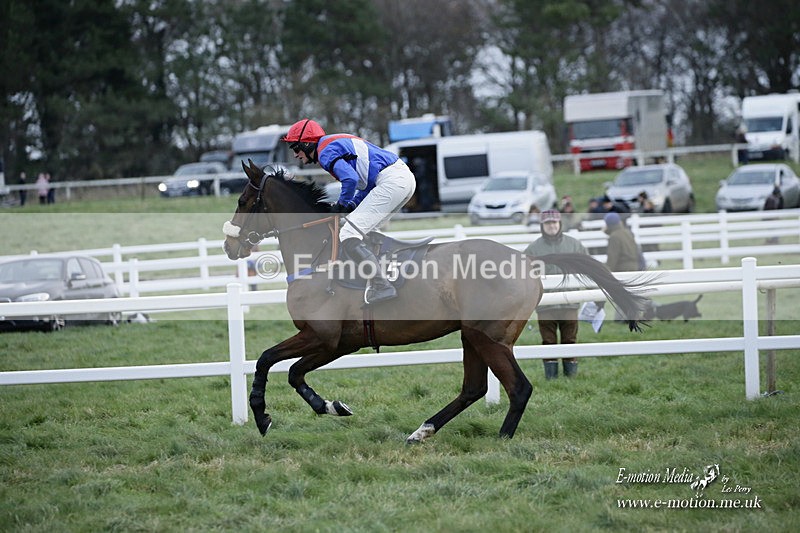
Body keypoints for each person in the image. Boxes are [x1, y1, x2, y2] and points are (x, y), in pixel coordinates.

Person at [282, 118, 416, 304]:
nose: (296, 154)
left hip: (392, 181)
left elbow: (350, 179)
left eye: (295, 148)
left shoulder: (324, 151)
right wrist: (351, 204)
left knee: (349, 233)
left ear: (306, 143)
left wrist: (343, 204)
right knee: (363, 232)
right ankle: (380, 278)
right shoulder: (330, 144)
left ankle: (381, 285)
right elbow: (367, 185)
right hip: (401, 179)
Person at [524, 209, 588, 379]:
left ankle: (570, 377)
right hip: (546, 305)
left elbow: (588, 269)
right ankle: (551, 378)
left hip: (570, 302)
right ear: (542, 226)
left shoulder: (575, 245)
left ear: (560, 224)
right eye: (548, 223)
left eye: (554, 222)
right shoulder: (533, 249)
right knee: (548, 342)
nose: (551, 226)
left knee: (570, 340)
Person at [603, 211, 641, 321]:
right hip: (633, 267)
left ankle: (620, 319)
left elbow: (613, 258)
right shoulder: (627, 233)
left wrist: (607, 272)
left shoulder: (614, 237)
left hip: (622, 269)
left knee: (621, 296)